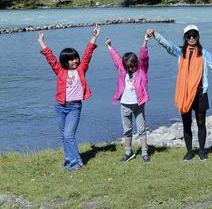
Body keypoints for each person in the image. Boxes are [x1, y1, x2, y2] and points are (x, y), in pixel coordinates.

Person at [147, 25, 212, 161]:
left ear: (198, 37)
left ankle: (202, 151)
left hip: (200, 92)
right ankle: (189, 151)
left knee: (201, 122)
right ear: (184, 38)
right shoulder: (179, 52)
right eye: (188, 36)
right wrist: (156, 34)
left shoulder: (204, 54)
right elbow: (167, 45)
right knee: (186, 123)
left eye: (194, 35)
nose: (192, 38)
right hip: (184, 93)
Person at [37, 24, 100, 170]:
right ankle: (70, 161)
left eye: (75, 58)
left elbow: (88, 53)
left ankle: (76, 163)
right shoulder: (59, 70)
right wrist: (41, 41)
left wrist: (94, 36)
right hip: (60, 107)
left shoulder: (81, 69)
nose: (75, 60)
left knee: (69, 135)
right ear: (65, 61)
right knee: (64, 137)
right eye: (71, 59)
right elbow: (50, 57)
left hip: (74, 107)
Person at [105, 30, 152, 163]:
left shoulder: (142, 69)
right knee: (127, 130)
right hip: (125, 105)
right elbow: (116, 58)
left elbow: (143, 56)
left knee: (141, 130)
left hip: (139, 105)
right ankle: (128, 153)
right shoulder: (123, 69)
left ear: (136, 64)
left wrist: (145, 41)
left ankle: (144, 153)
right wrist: (109, 47)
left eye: (132, 66)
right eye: (127, 67)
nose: (130, 69)